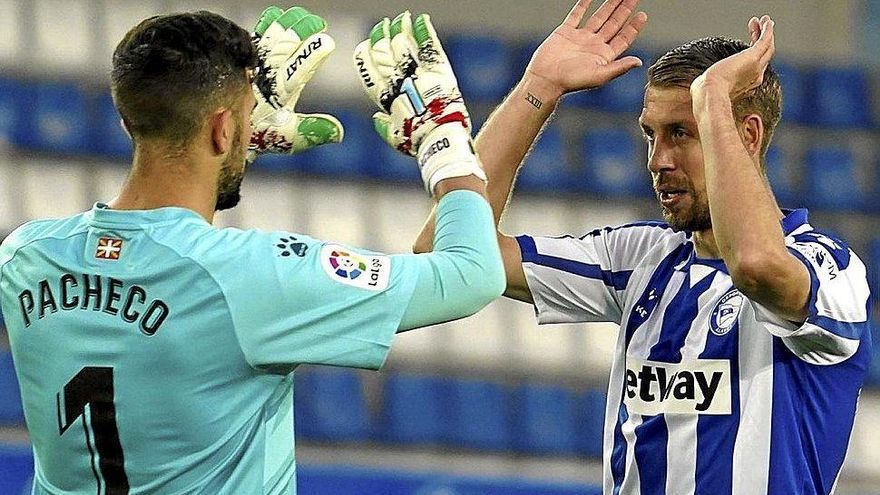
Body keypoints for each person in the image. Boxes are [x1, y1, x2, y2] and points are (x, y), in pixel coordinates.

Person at [0, 6, 503, 494]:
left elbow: (162, 253)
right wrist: (445, 139)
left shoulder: (25, 257)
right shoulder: (257, 275)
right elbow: (471, 275)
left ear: (129, 120)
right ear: (221, 128)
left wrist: (232, 145)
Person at [414, 1, 872, 493]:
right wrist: (538, 90)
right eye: (651, 135)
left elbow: (756, 265)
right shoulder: (638, 259)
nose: (657, 160)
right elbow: (448, 256)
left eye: (681, 133)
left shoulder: (830, 268)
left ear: (749, 135)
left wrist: (715, 95)